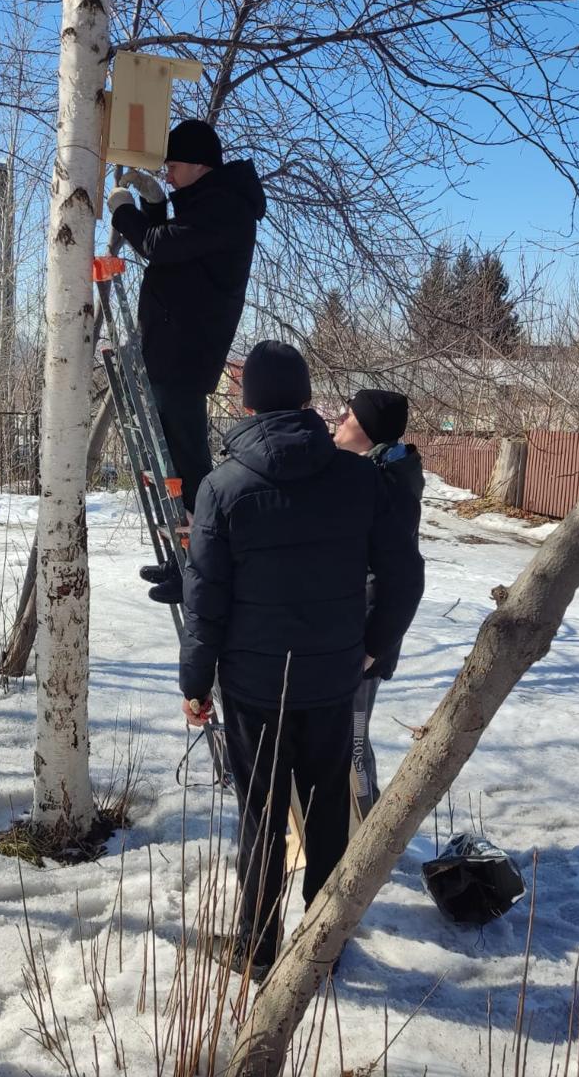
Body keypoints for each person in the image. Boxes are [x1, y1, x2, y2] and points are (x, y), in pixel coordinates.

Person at [179, 343, 424, 980]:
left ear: (248, 404)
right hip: (331, 679)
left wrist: (195, 683)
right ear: (307, 397)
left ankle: (258, 950)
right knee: (326, 815)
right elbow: (404, 575)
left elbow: (205, 600)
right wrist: (371, 645)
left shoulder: (221, 487)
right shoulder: (360, 480)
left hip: (254, 686)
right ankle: (322, 948)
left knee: (262, 816)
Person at [108, 120, 266, 604]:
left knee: (188, 463)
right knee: (171, 460)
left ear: (199, 164)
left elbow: (161, 246)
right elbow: (170, 242)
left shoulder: (225, 207)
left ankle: (199, 567)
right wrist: (155, 203)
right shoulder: (210, 201)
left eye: (173, 166)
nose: (169, 174)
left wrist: (124, 211)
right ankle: (182, 558)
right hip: (172, 348)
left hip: (186, 353)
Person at [334, 389, 424, 818]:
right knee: (345, 737)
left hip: (364, 642)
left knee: (352, 742)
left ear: (367, 431)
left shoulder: (387, 485)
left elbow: (402, 581)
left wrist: (371, 649)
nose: (339, 420)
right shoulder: (371, 474)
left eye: (349, 415)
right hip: (351, 635)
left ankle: (369, 834)